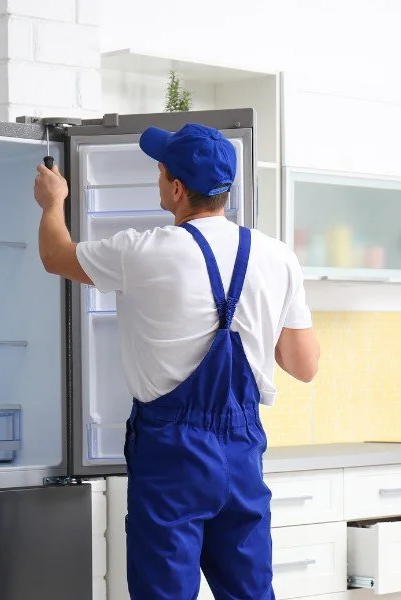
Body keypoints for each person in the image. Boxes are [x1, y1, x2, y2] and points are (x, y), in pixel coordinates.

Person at [33, 122, 320, 600]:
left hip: (171, 453)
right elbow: (303, 364)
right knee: (250, 593)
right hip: (242, 449)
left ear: (177, 189)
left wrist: (53, 202)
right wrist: (255, 314)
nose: (158, 178)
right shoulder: (277, 257)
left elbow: (55, 256)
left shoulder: (141, 251)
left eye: (161, 170)